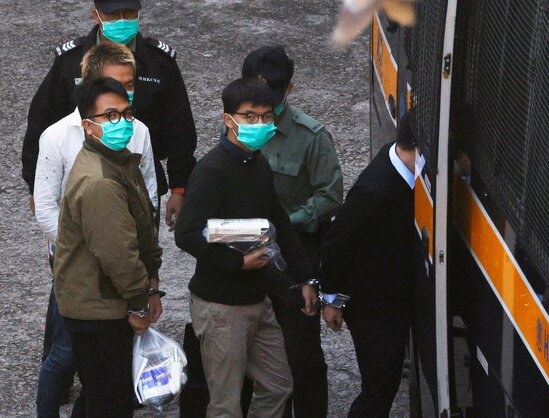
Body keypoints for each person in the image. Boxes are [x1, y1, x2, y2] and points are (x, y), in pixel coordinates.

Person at [175, 77, 319, 418]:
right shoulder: (212, 171)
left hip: (258, 300)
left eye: (267, 117)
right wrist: (237, 264)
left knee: (278, 385)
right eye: (250, 117)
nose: (259, 124)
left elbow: (279, 222)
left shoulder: (257, 163)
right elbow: (187, 234)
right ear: (228, 119)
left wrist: (306, 278)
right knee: (225, 405)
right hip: (222, 307)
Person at [32, 43, 156, 418]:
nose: (122, 121)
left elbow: (145, 200)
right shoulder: (61, 140)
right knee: (69, 357)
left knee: (104, 384)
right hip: (86, 278)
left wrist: (146, 276)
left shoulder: (132, 138)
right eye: (111, 114)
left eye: (127, 107)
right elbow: (46, 208)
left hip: (115, 281)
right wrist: (79, 244)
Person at [22, 0, 195, 230]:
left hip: (138, 182)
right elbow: (40, 124)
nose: (122, 20)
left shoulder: (159, 62)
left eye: (129, 12)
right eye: (114, 15)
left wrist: (179, 188)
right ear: (96, 15)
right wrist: (37, 187)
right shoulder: (70, 61)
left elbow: (180, 127)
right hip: (77, 188)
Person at [241, 45, 343, 418]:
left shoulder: (311, 136)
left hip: (295, 253)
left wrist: (287, 222)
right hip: (247, 249)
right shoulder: (239, 127)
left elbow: (330, 196)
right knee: (253, 347)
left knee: (300, 352)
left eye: (271, 98)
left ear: (290, 89)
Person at [319, 110, 424, 417]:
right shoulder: (375, 192)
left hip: (391, 296)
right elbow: (336, 244)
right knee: (378, 388)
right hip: (372, 307)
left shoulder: (396, 162)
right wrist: (333, 301)